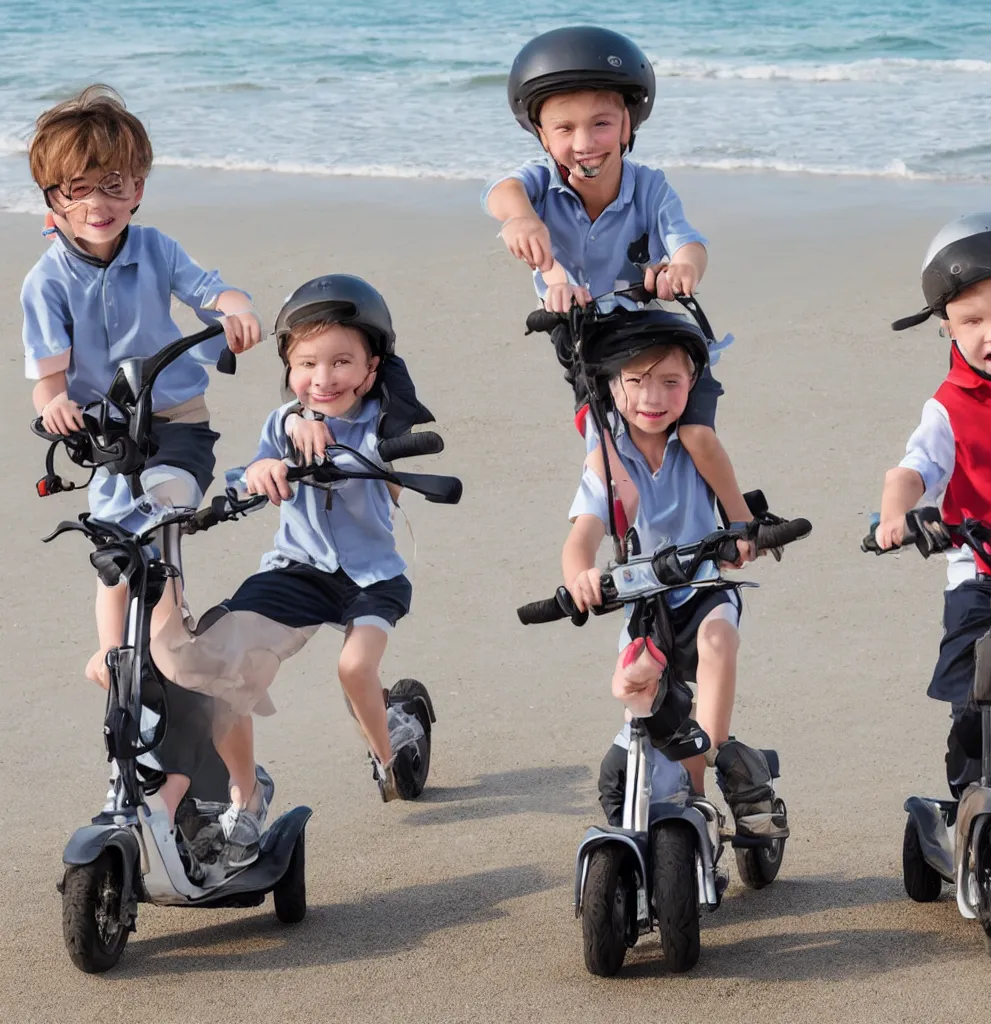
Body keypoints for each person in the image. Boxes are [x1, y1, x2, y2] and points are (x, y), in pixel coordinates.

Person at [20, 84, 261, 822]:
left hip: (176, 417)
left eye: (115, 185)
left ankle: (170, 631)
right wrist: (55, 407)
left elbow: (211, 291)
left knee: (164, 507)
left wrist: (235, 308)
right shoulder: (47, 279)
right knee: (111, 544)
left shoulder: (155, 247)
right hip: (103, 433)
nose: (99, 202)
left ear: (139, 188)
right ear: (52, 201)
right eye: (79, 189)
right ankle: (115, 655)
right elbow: (47, 385)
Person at [152, 275, 439, 867]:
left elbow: (394, 467)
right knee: (217, 668)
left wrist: (361, 458)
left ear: (370, 367)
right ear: (287, 364)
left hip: (371, 576)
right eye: (307, 362)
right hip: (296, 570)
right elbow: (253, 468)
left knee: (355, 667)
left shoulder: (386, 421)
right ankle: (245, 793)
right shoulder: (284, 421)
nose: (324, 377)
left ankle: (387, 751)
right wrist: (266, 467)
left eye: (342, 362)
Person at [483, 25, 751, 526]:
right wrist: (524, 221)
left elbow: (687, 241)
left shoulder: (649, 186)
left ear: (628, 125)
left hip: (648, 326)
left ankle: (741, 521)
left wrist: (682, 268)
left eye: (601, 123)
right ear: (541, 135)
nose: (584, 143)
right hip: (583, 336)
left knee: (696, 434)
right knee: (609, 462)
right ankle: (613, 542)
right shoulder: (539, 184)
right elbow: (503, 192)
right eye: (563, 129)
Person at [559, 304, 788, 839]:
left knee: (716, 643)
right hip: (644, 604)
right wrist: (581, 576)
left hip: (702, 587)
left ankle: (717, 761)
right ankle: (690, 801)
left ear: (692, 383)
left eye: (670, 381)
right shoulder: (608, 463)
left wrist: (742, 532)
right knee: (642, 692)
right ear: (613, 388)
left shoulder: (695, 444)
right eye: (636, 381)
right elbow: (582, 537)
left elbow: (738, 521)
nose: (653, 397)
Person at [874, 211, 991, 797]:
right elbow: (911, 472)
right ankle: (971, 800)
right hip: (979, 570)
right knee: (974, 691)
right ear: (946, 325)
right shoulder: (949, 409)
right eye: (974, 320)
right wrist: (896, 517)